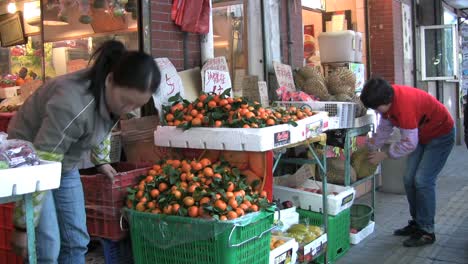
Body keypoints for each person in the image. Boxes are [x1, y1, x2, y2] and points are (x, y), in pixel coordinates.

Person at [8, 40, 161, 263]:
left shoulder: (114, 97)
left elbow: (103, 122)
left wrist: (101, 160)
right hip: (31, 160)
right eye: (126, 102)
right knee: (47, 248)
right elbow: (40, 166)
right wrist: (22, 227)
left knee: (77, 240)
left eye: (135, 105)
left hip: (63, 161)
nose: (127, 110)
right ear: (109, 80)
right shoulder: (72, 104)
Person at [360, 77, 454, 247]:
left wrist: (385, 154)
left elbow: (410, 143)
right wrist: (371, 145)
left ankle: (427, 231)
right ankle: (417, 222)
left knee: (422, 180)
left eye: (376, 107)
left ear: (386, 101)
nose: (376, 111)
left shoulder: (404, 106)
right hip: (422, 135)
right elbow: (384, 128)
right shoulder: (386, 102)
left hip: (441, 135)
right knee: (409, 178)